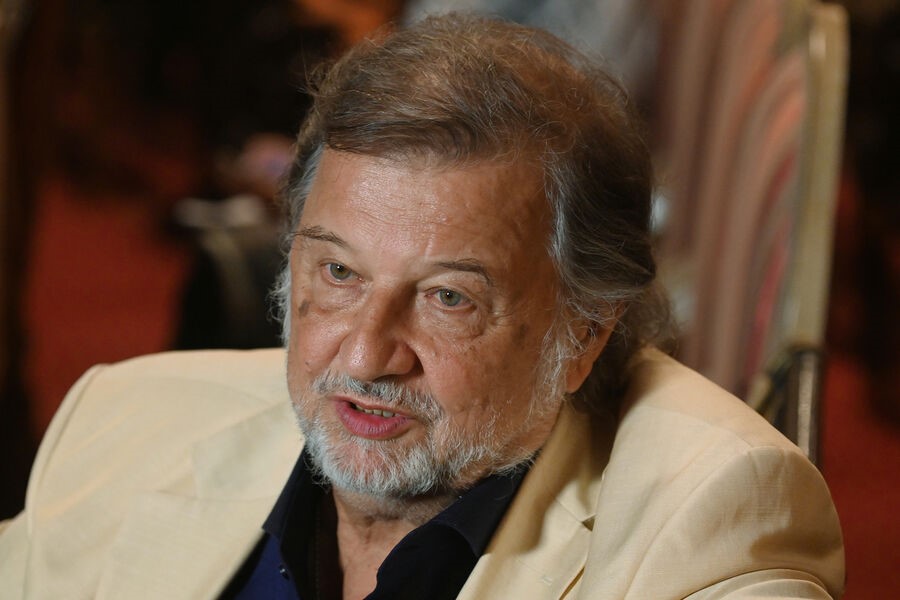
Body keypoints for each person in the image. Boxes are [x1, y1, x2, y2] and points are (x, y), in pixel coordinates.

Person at [0, 13, 844, 600]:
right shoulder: (118, 426)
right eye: (340, 273)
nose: (366, 354)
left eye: (447, 298)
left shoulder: (713, 529)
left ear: (585, 331)